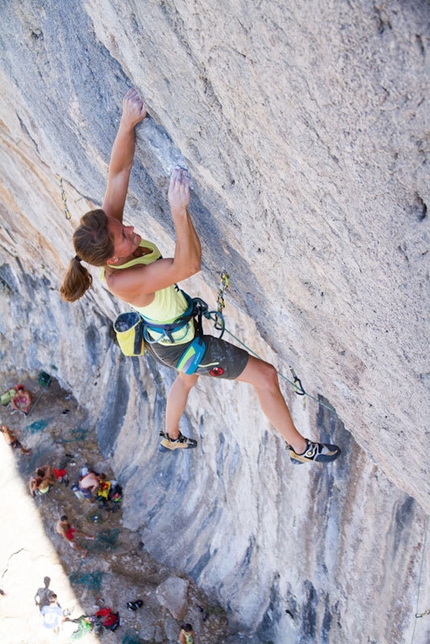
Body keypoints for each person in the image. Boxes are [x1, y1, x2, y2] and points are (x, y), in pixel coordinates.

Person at [60, 88, 340, 465]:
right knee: (265, 376)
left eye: (120, 223)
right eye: (123, 236)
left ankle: (171, 435)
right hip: (180, 342)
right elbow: (187, 267)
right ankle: (301, 448)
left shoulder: (106, 232)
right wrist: (179, 213)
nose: (129, 228)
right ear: (110, 258)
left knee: (185, 377)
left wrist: (127, 122)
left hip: (169, 335)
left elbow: (119, 172)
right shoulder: (121, 280)